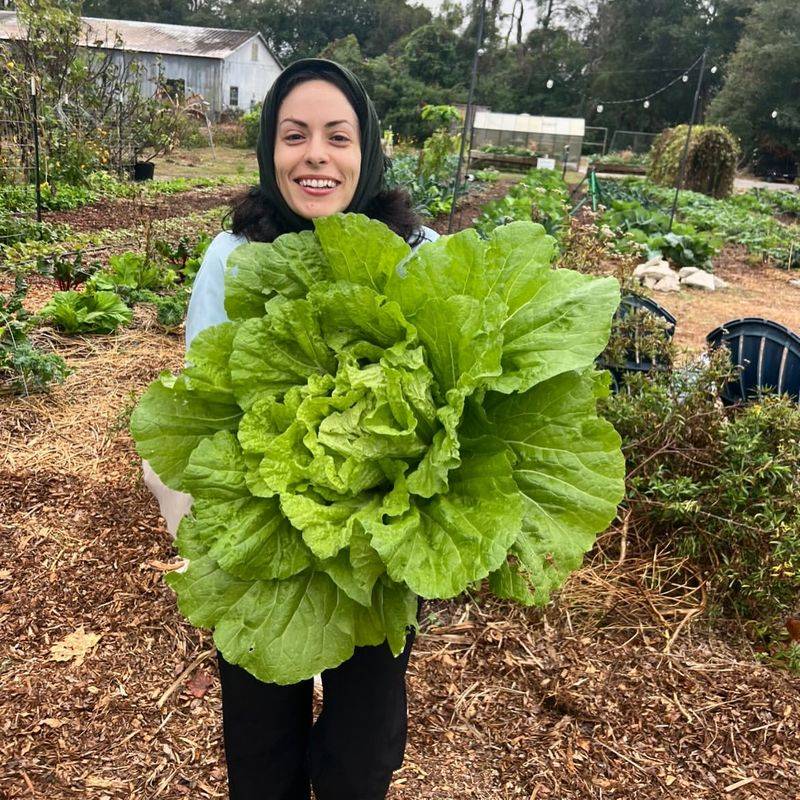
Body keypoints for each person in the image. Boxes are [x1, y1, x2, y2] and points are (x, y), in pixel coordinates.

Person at [145, 58, 439, 800]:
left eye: (338, 137)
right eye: (293, 135)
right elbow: (204, 402)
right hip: (262, 535)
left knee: (362, 757)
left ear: (366, 150)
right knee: (260, 749)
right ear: (269, 150)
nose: (315, 155)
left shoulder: (417, 255)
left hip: (383, 550)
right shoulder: (233, 255)